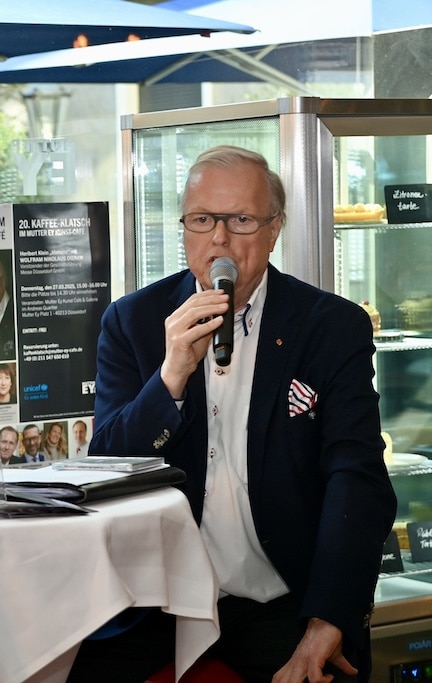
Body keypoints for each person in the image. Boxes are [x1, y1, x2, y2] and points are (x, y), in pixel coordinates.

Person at [67, 146, 395, 683]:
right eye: (202, 220)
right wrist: (170, 375)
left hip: (278, 594)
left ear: (274, 229)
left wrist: (329, 616)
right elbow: (108, 467)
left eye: (240, 220)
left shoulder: (330, 327)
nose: (218, 239)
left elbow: (356, 477)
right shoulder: (134, 320)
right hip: (158, 599)